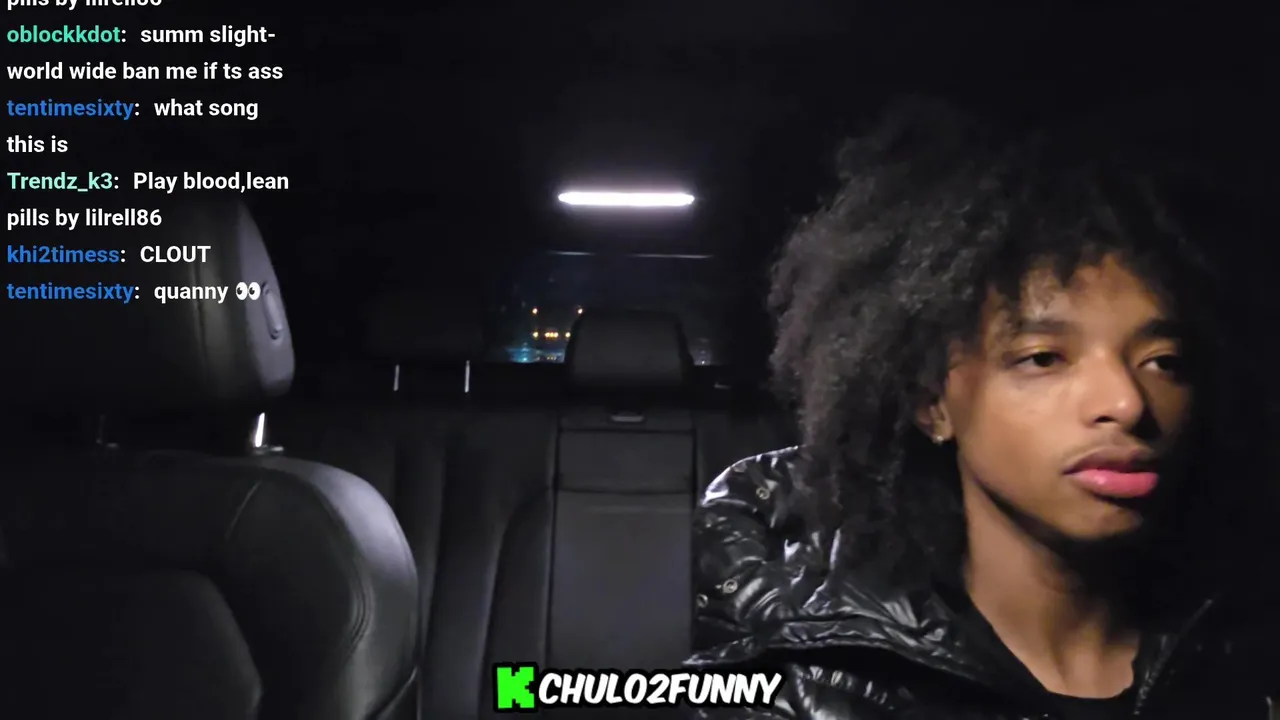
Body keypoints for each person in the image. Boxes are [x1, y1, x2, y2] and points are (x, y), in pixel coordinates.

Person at [686, 99, 1279, 719]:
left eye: (1164, 361)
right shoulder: (803, 693)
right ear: (932, 404)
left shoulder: (1252, 663)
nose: (1127, 403)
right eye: (1043, 358)